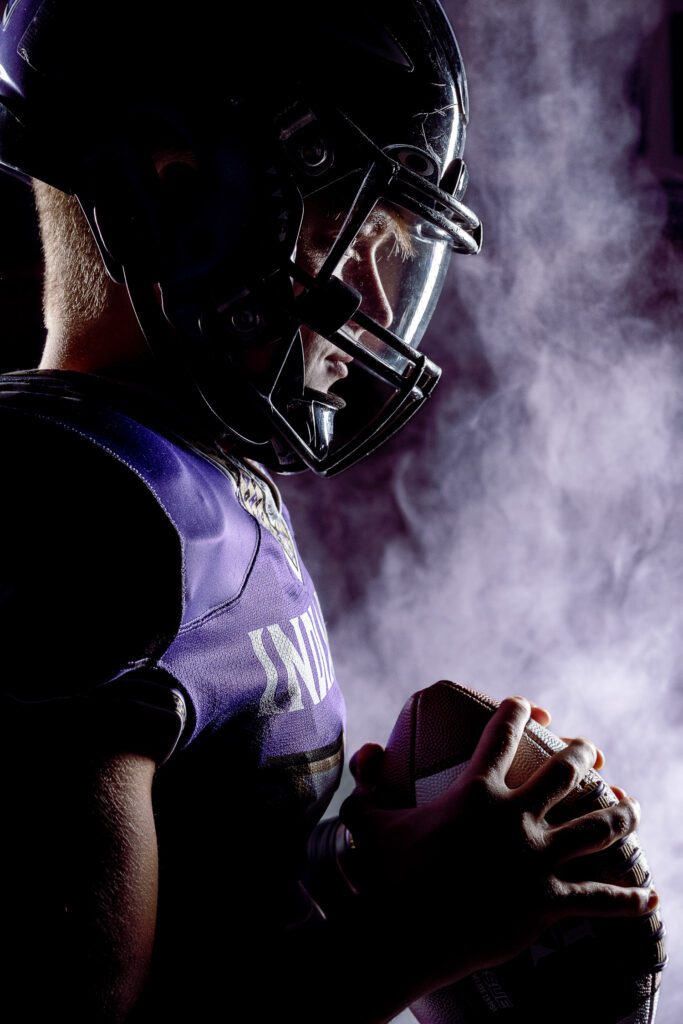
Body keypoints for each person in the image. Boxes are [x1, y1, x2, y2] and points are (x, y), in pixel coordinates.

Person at [0, 2, 655, 1021]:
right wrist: (414, 931)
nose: (373, 296)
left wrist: (367, 870)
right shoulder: (71, 506)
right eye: (347, 222)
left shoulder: (187, 476)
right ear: (178, 182)